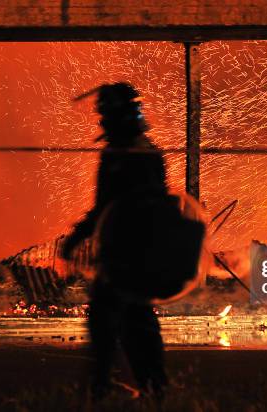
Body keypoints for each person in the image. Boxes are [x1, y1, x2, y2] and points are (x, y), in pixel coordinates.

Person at [61, 82, 169, 398]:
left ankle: (107, 385)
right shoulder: (147, 150)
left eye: (105, 113)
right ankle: (150, 384)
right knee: (135, 318)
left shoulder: (123, 153)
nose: (101, 120)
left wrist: (76, 238)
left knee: (111, 320)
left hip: (125, 251)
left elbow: (107, 205)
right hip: (137, 250)